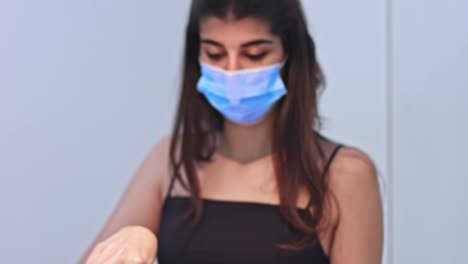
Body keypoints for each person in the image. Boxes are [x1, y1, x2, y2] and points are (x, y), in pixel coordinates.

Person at [80, 0, 383, 263]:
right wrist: (138, 237)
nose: (233, 70)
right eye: (215, 54)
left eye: (254, 55)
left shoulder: (344, 175)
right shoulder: (171, 160)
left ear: (290, 56)